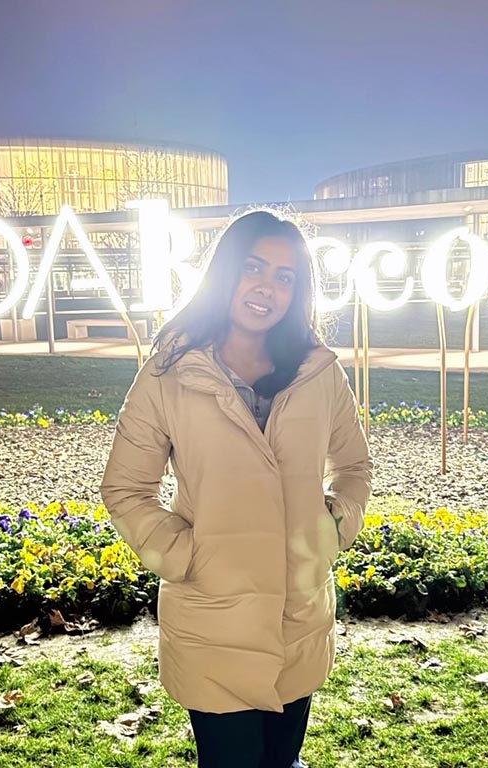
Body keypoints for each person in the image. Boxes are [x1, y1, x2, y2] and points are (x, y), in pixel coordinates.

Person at [101, 210, 372, 768]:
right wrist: (186, 556)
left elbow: (354, 467)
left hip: (298, 615)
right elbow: (126, 489)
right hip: (213, 617)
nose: (266, 287)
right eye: (253, 268)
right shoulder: (168, 374)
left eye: (284, 276)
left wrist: (332, 530)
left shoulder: (318, 373)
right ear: (225, 271)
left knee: (282, 763)